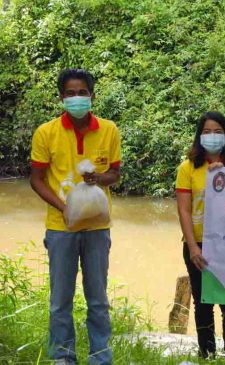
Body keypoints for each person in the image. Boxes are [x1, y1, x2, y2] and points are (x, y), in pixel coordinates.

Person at [30, 69, 121, 365]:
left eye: (82, 92)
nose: (76, 98)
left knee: (98, 299)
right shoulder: (46, 133)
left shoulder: (109, 130)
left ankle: (100, 358)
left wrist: (99, 178)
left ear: (92, 96)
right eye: (70, 93)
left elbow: (115, 174)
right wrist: (63, 206)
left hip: (98, 226)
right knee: (60, 302)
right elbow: (37, 180)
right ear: (61, 98)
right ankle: (62, 358)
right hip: (60, 228)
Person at [175, 111, 225, 360]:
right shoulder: (187, 168)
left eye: (217, 131)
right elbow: (184, 209)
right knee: (203, 303)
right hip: (198, 245)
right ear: (199, 136)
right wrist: (193, 246)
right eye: (206, 131)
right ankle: (206, 355)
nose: (212, 136)